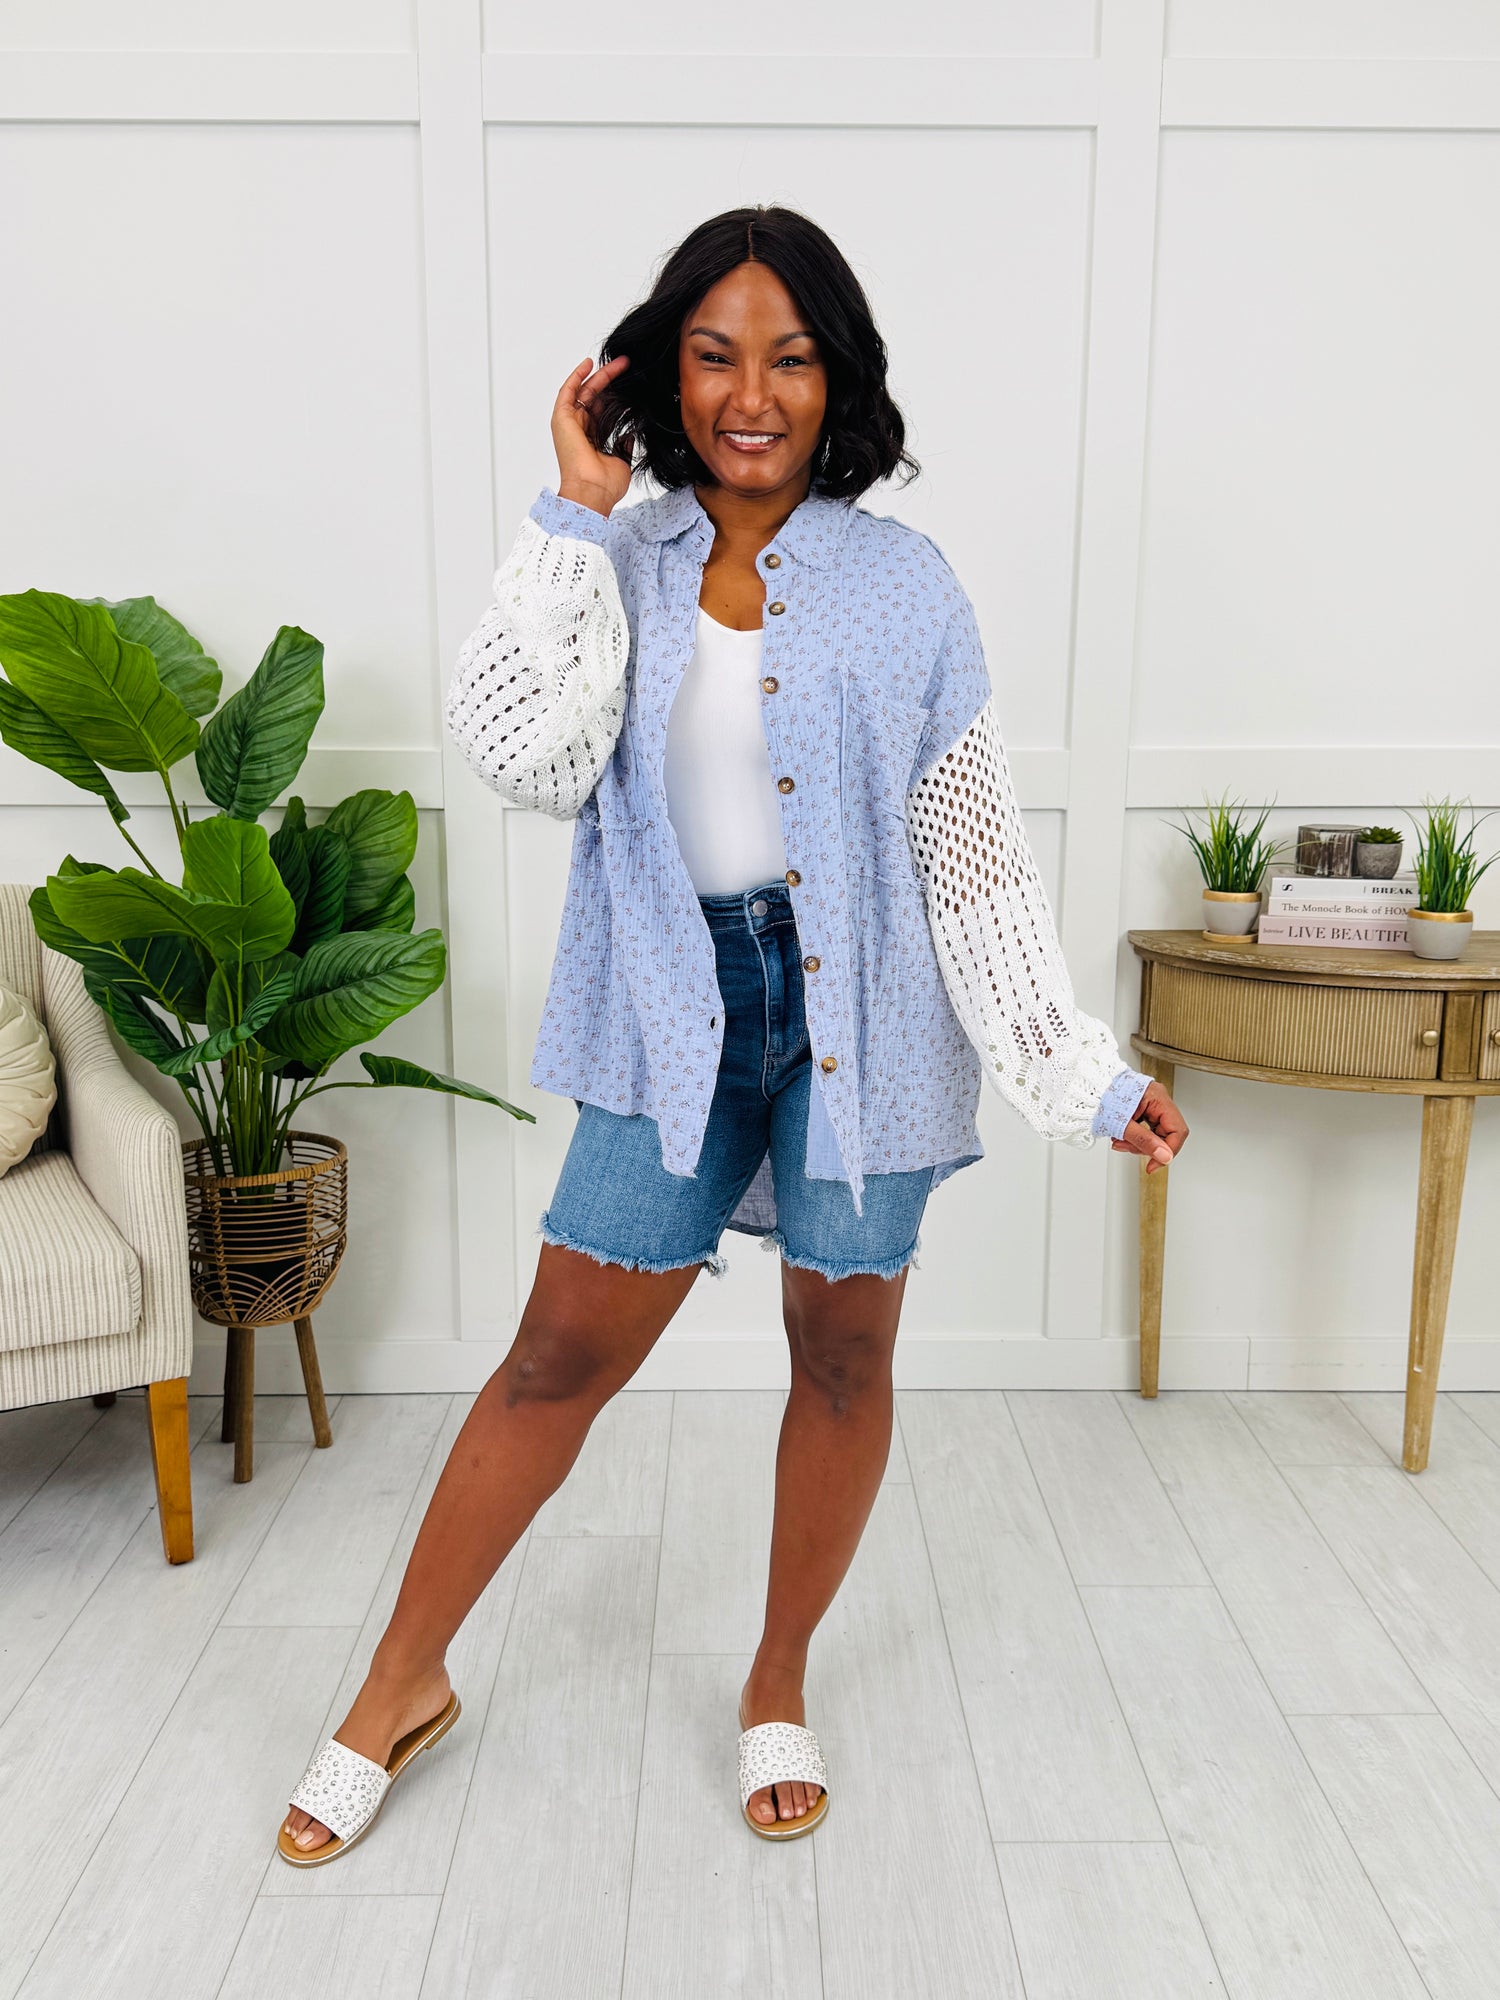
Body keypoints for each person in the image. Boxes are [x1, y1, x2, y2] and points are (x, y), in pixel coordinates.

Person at [278, 204, 1189, 1863]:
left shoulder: (909, 587)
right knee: (556, 1359)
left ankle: (778, 1679)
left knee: (841, 1357)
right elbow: (526, 759)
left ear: (838, 380)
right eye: (713, 356)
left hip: (867, 1025)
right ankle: (398, 1684)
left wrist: (1077, 1067)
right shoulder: (613, 560)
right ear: (662, 371)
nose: (751, 395)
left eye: (789, 358)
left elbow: (971, 857)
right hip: (670, 1011)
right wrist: (572, 505)